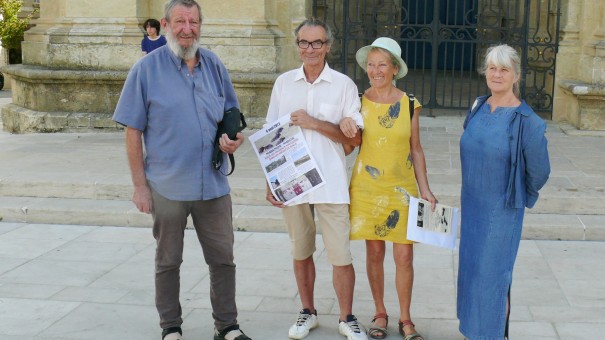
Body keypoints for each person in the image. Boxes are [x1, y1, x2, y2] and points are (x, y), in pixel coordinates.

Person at [112, 1, 251, 340]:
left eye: (193, 21)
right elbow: (132, 131)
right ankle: (171, 327)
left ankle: (227, 326)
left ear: (200, 25)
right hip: (167, 185)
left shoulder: (214, 65)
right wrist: (139, 186)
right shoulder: (146, 70)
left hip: (213, 185)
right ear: (165, 24)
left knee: (223, 261)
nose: (187, 28)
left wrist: (233, 140)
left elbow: (231, 116)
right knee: (168, 261)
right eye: (180, 21)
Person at [264, 18, 367, 340]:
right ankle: (307, 311)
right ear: (297, 46)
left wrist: (314, 122)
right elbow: (271, 136)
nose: (311, 49)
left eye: (317, 43)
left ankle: (346, 317)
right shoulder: (283, 83)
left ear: (328, 46)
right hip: (292, 181)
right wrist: (270, 180)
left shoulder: (344, 85)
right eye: (305, 43)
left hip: (331, 181)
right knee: (301, 250)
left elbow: (353, 141)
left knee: (341, 255)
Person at [339, 37, 435, 340]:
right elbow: (348, 146)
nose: (375, 70)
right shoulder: (357, 101)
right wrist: (344, 125)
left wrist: (426, 190)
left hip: (402, 189)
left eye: (382, 64)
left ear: (395, 68)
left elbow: (416, 149)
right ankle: (380, 312)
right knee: (375, 253)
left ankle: (406, 319)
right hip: (368, 188)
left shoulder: (409, 104)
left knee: (404, 256)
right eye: (371, 64)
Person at [457, 44, 551, 340]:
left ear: (516, 75)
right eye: (492, 68)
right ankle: (474, 332)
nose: (497, 74)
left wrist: (518, 196)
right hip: (472, 206)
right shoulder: (478, 106)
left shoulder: (527, 122)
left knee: (493, 277)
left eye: (504, 69)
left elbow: (539, 171)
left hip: (501, 211)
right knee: (472, 272)